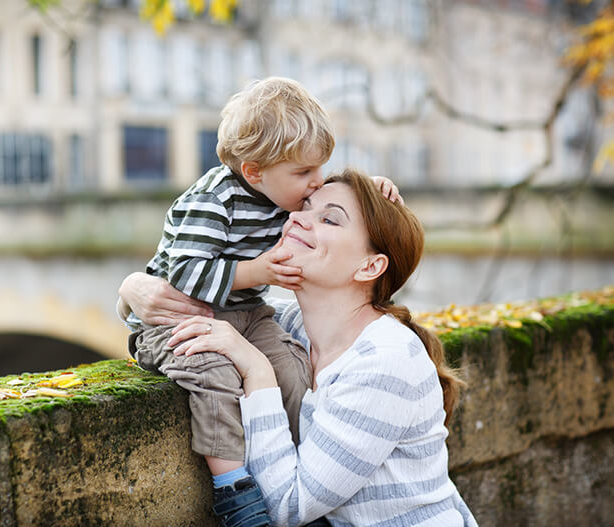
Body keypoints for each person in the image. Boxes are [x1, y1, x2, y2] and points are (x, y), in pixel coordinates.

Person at [119, 169, 477, 526]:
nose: (296, 219)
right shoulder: (292, 327)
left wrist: (256, 368)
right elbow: (205, 309)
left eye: (329, 219)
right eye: (305, 206)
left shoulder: (386, 360)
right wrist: (132, 290)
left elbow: (287, 508)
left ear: (370, 266)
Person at [122, 77, 398, 527]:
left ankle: (300, 465)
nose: (316, 184)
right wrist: (258, 272)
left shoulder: (281, 191)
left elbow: (338, 213)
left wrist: (375, 189)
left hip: (249, 316)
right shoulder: (212, 201)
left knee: (291, 371)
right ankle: (234, 491)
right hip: (181, 320)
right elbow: (184, 272)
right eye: (305, 174)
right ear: (254, 171)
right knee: (214, 376)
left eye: (320, 169)